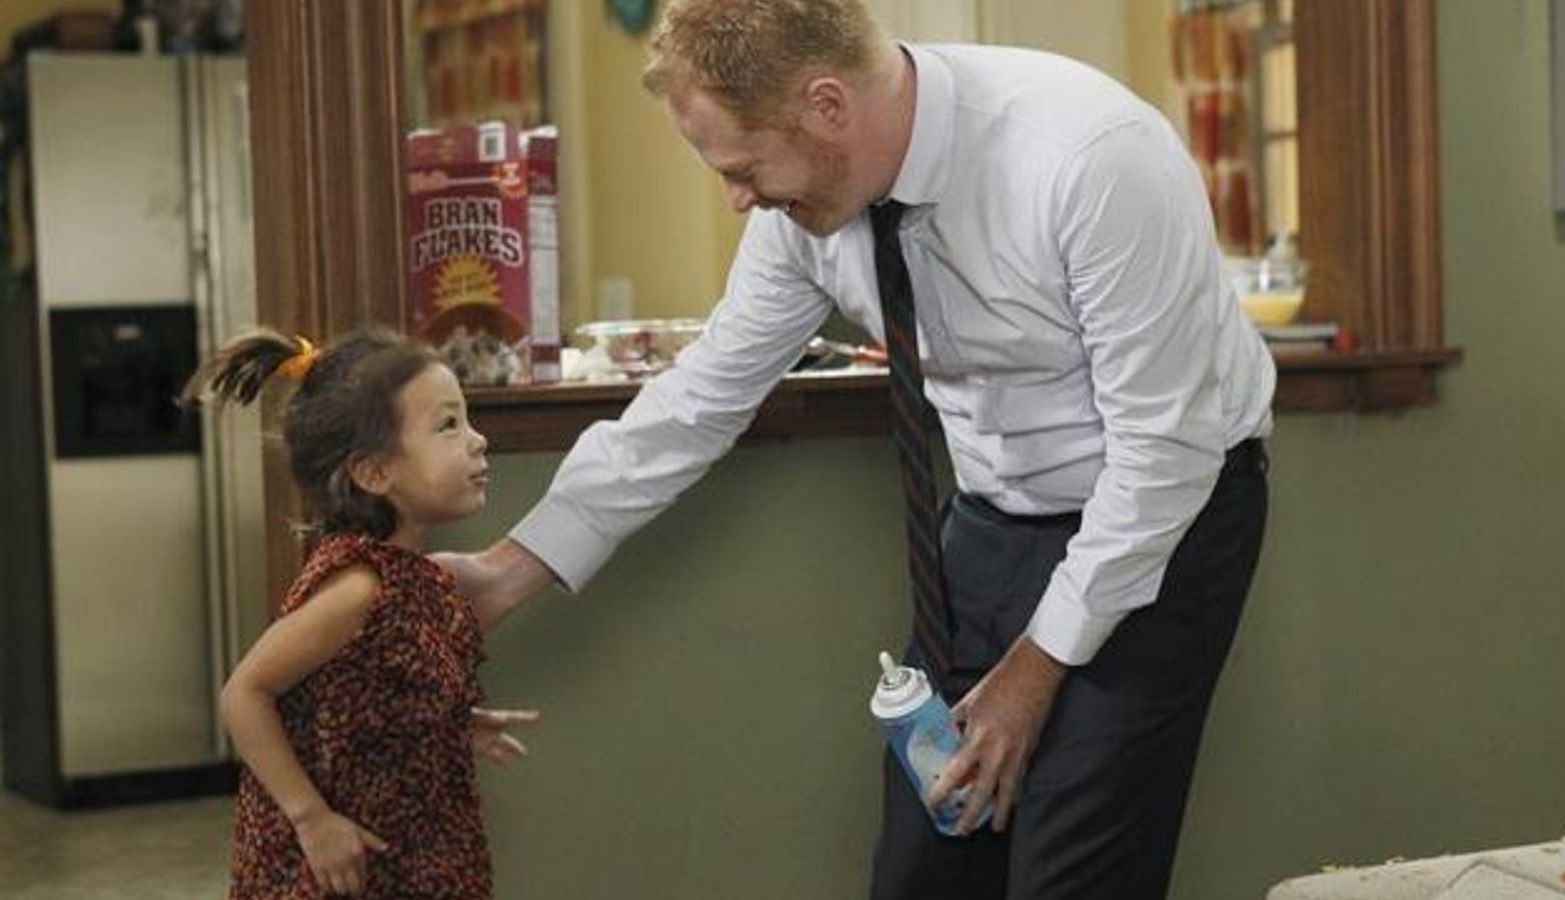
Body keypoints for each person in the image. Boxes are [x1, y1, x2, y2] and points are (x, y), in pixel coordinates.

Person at [443, 1, 1275, 897]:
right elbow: (698, 400)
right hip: (991, 524)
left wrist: (1033, 672)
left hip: (1167, 523)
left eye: (743, 166)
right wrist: (505, 571)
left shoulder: (1090, 158)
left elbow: (1167, 451)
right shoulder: (801, 215)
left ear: (827, 105)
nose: (738, 196)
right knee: (925, 862)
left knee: (1072, 871)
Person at [186, 329, 540, 899]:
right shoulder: (358, 587)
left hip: (409, 850)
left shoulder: (415, 577)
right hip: (333, 870)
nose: (478, 440)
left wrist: (440, 722)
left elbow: (365, 693)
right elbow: (244, 693)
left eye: (467, 419)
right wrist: (310, 818)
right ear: (373, 473)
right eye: (448, 425)